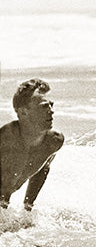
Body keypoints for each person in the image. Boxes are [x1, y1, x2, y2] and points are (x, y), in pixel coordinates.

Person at [1, 79, 64, 212]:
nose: (51, 111)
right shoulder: (6, 139)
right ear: (23, 112)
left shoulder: (54, 141)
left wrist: (28, 207)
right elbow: (4, 189)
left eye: (51, 105)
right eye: (44, 106)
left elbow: (42, 168)